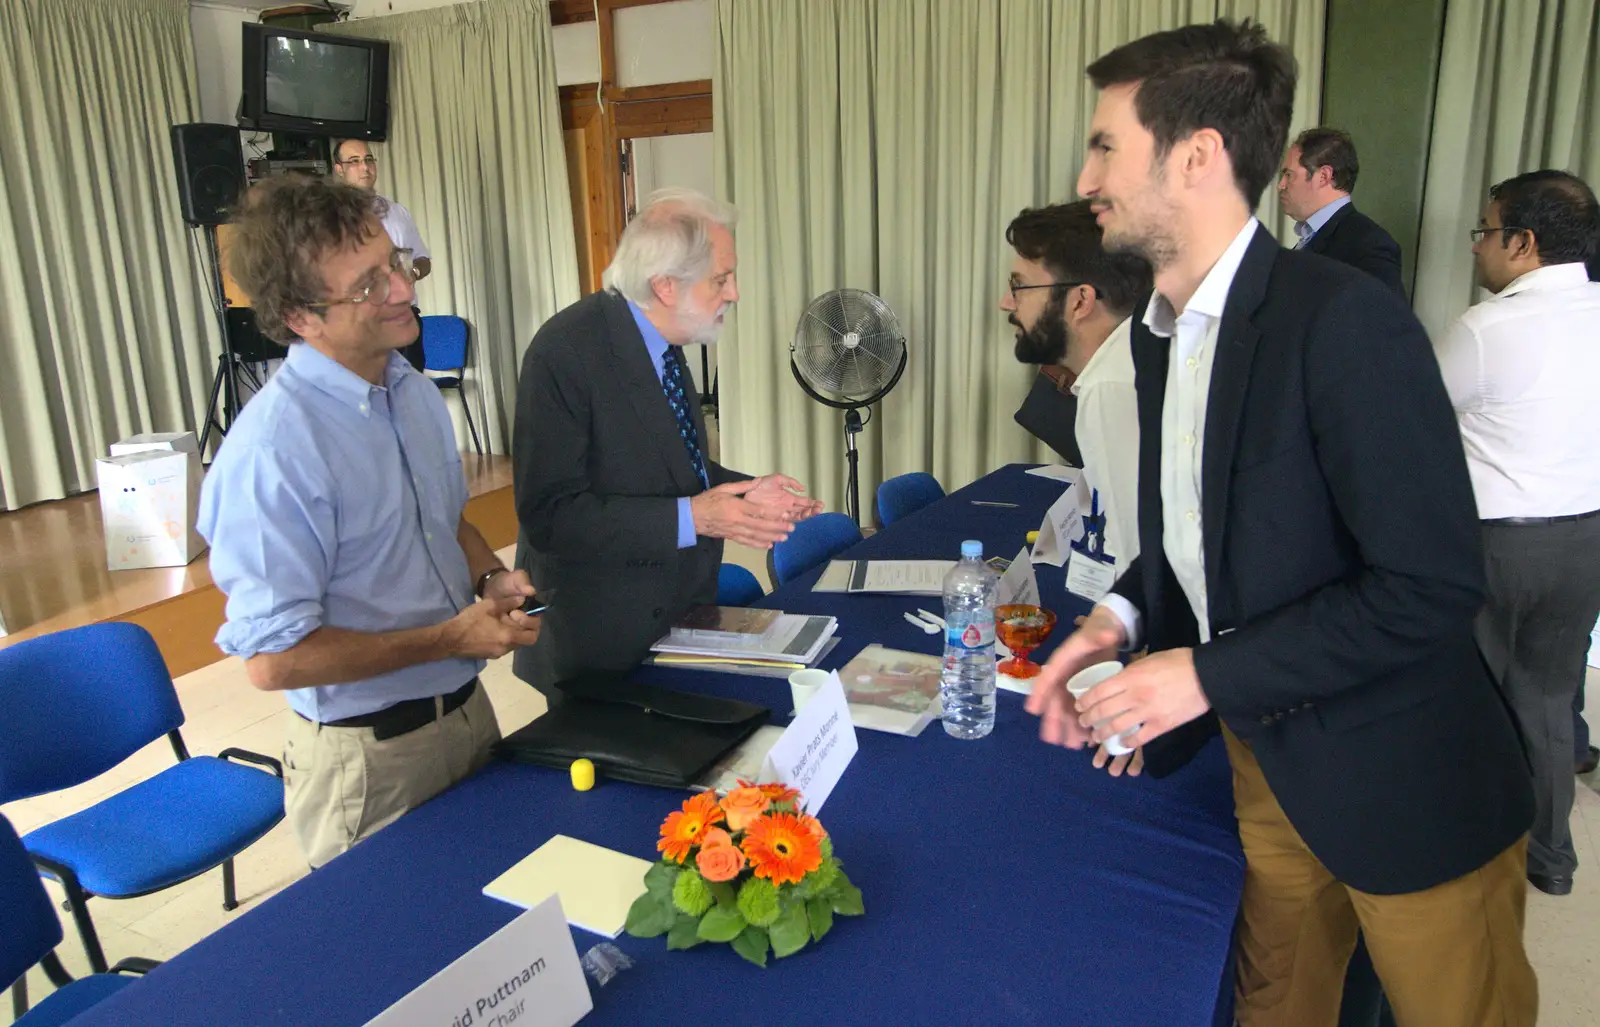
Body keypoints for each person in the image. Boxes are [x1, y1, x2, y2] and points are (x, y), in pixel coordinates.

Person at [1025, 19, 1537, 1026]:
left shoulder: (1344, 323)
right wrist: (1118, 621)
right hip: (1269, 765)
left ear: (1198, 156)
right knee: (1277, 1005)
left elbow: (1427, 586)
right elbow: (1197, 538)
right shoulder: (1164, 338)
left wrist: (1201, 674)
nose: (1086, 176)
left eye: (1105, 146)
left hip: (1406, 785)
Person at [198, 175, 541, 869]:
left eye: (397, 264)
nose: (402, 290)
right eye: (366, 285)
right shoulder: (274, 452)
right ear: (300, 316)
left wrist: (489, 575)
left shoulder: (409, 391)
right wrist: (450, 635)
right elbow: (275, 660)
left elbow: (440, 520)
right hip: (369, 761)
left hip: (468, 714)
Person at [512, 187, 822, 701]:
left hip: (677, 614)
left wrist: (746, 490)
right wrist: (696, 517)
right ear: (665, 286)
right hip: (601, 640)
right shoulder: (564, 354)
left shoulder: (665, 338)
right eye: (721, 279)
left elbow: (669, 461)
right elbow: (550, 516)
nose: (735, 293)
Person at [1433, 169, 1600, 897]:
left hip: (1499, 544)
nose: (1477, 249)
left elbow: (1418, 424)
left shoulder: (1486, 327)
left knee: (1473, 698)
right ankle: (1551, 858)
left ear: (1523, 243)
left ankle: (1473, 844)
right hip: (1586, 538)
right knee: (1548, 697)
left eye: (1486, 232)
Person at [1000, 201, 1150, 572]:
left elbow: (1141, 553)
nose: (1006, 304)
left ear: (1080, 300)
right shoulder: (1137, 356)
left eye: (1019, 287)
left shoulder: (1111, 388)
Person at [332, 138, 431, 371]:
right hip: (363, 323)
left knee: (411, 396)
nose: (364, 167)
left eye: (368, 160)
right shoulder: (331, 218)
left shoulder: (398, 213)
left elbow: (423, 259)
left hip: (405, 317)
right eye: (354, 162)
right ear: (339, 169)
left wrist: (413, 272)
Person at [1276, 128, 1405, 296]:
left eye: (1289, 175)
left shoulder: (1370, 244)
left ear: (1323, 176)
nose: (1281, 185)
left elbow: (1384, 317)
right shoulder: (1312, 236)